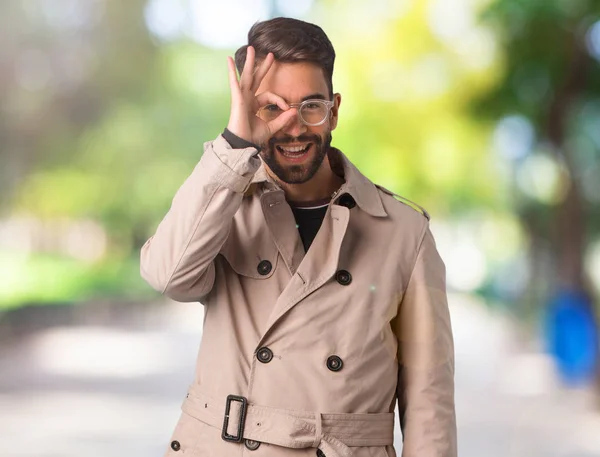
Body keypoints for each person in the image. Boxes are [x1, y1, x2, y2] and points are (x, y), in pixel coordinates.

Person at [140, 16, 456, 457]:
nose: (293, 126)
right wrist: (234, 144)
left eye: (311, 106)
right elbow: (168, 275)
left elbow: (430, 403)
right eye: (271, 107)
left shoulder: (405, 233)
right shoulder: (221, 207)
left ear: (335, 110)